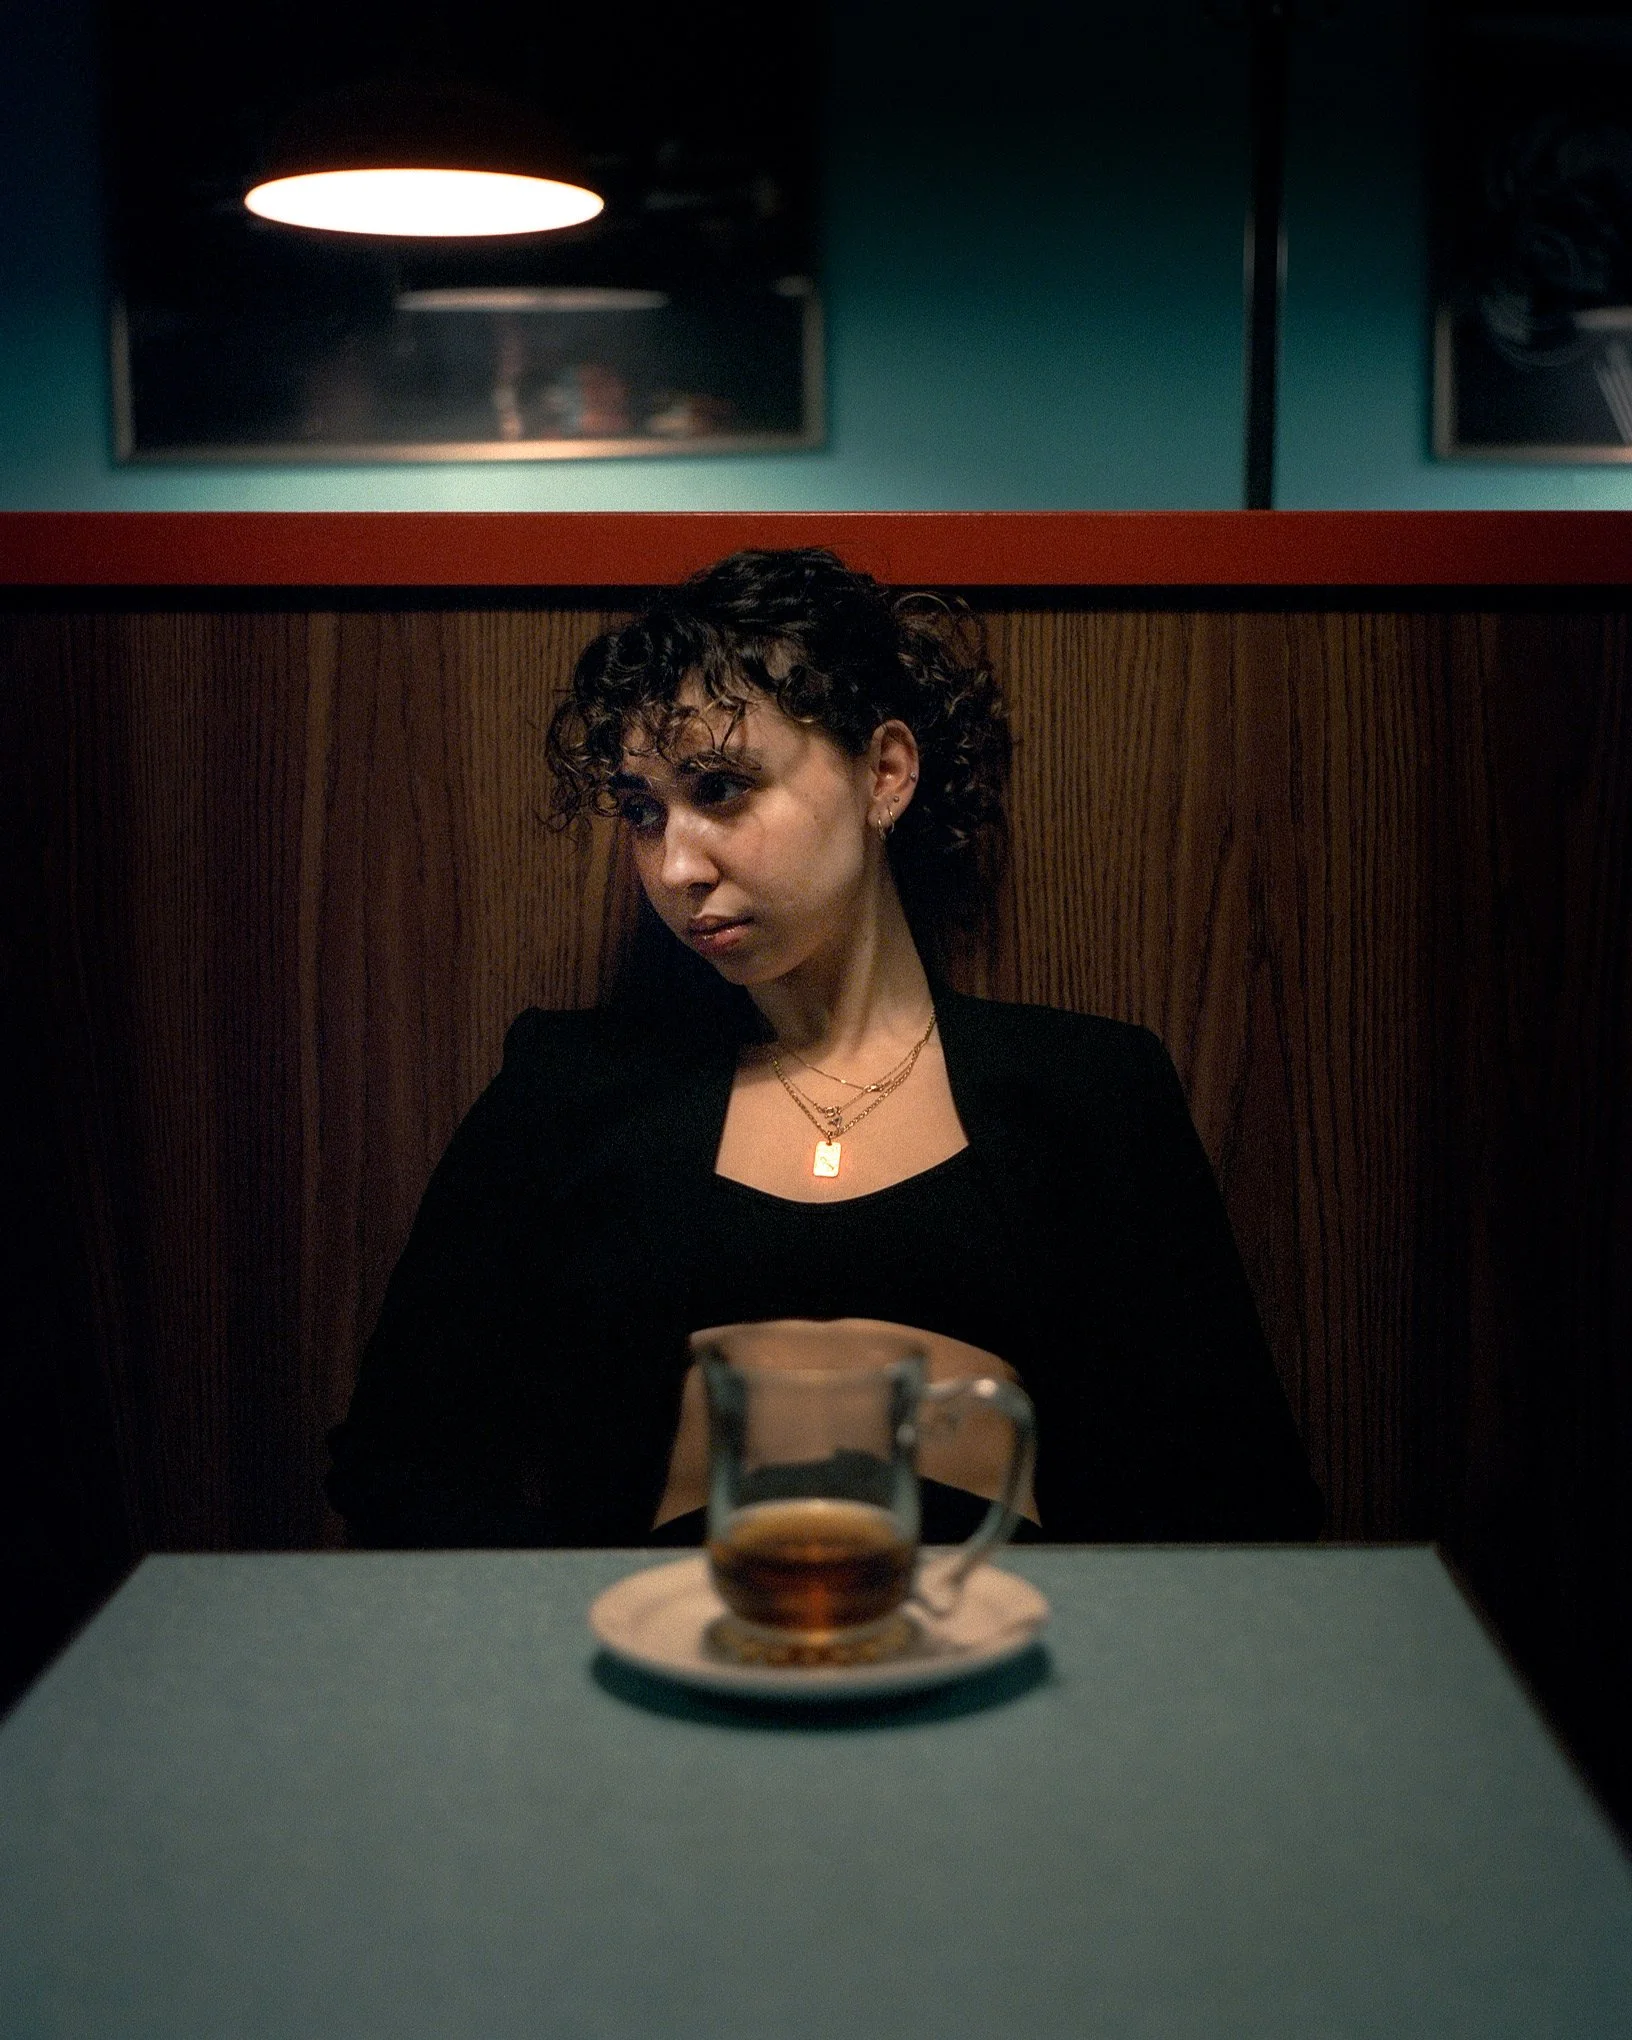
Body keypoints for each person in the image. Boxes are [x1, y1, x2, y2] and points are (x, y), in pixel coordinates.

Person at [326, 548, 1323, 1548]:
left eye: (721, 787)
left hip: (1006, 1629)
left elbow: (1239, 1497)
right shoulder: (569, 1091)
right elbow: (397, 1462)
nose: (674, 866)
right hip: (675, 1629)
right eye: (642, 811)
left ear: (883, 773)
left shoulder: (1088, 1092)